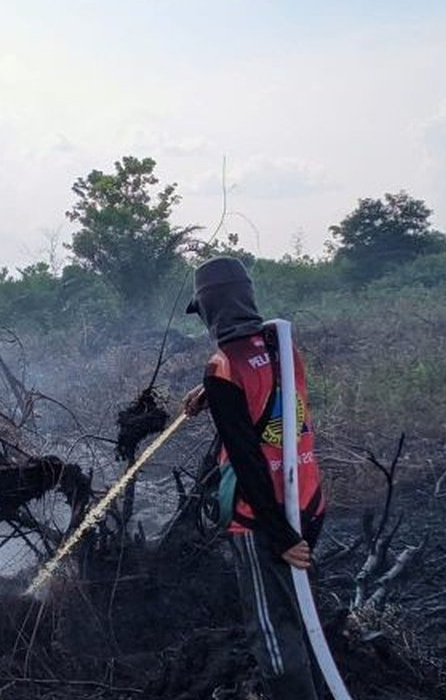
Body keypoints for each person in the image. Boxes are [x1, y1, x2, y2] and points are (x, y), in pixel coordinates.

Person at [182, 256, 327, 700]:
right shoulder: (284, 347)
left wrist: (279, 533)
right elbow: (266, 386)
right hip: (308, 499)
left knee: (272, 627)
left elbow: (246, 459)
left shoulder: (223, 366)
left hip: (260, 516)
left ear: (209, 309)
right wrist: (213, 393)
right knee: (298, 609)